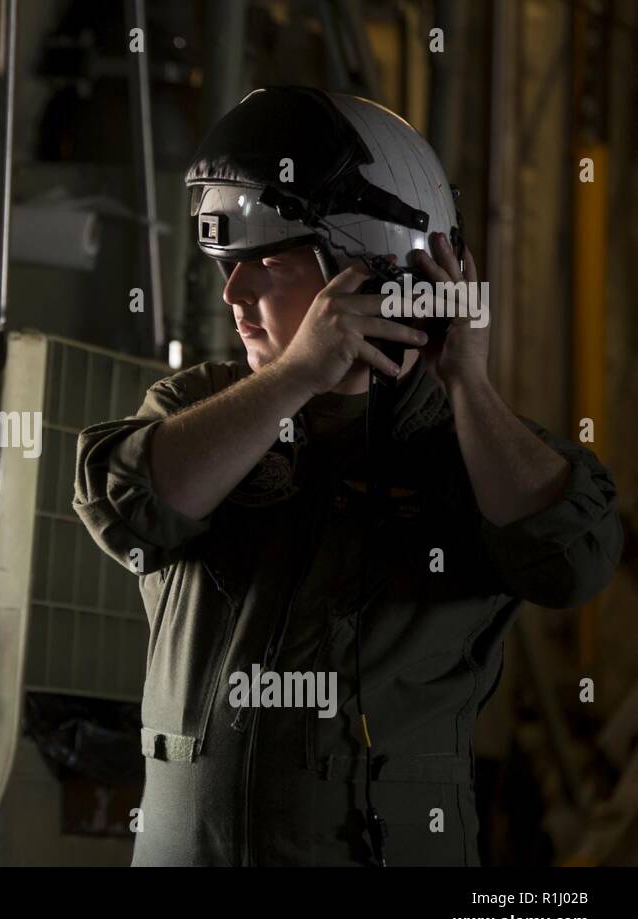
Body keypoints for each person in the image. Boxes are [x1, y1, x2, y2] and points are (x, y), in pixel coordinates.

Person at [72, 86, 622, 866]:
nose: (233, 293)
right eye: (228, 263)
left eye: (265, 261)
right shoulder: (196, 407)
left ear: (374, 273)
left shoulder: (468, 444)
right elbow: (127, 512)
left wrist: (468, 380)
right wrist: (297, 375)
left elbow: (572, 561)